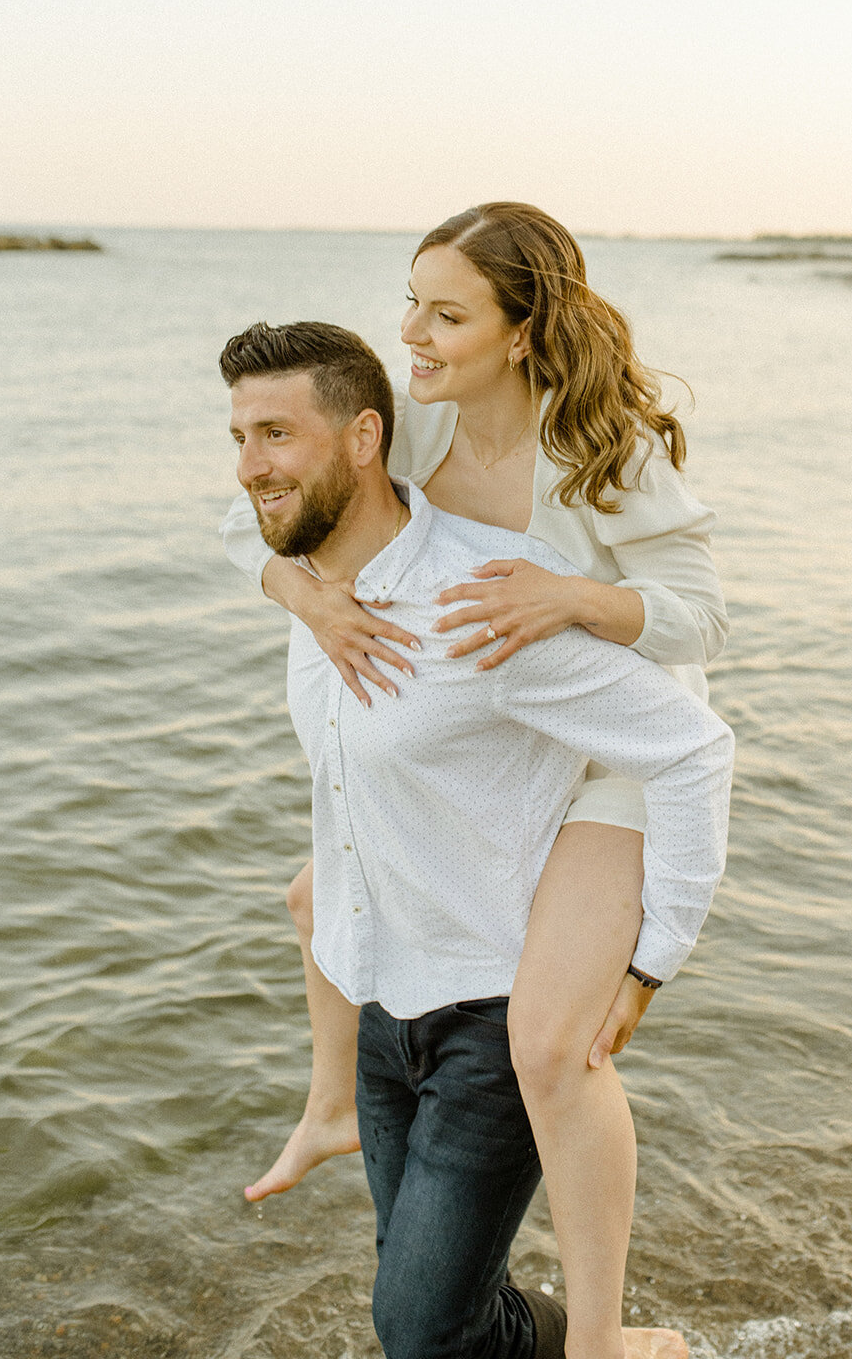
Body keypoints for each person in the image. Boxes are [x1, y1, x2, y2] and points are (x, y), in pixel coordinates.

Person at [221, 204, 729, 1357]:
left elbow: (704, 624)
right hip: (505, 721)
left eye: (445, 312)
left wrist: (578, 600)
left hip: (616, 755)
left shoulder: (605, 453)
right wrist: (307, 599)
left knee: (549, 1040)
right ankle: (334, 1108)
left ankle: (601, 1337)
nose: (411, 331)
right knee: (320, 897)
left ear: (521, 326)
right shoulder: (408, 437)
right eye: (411, 300)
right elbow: (262, 513)